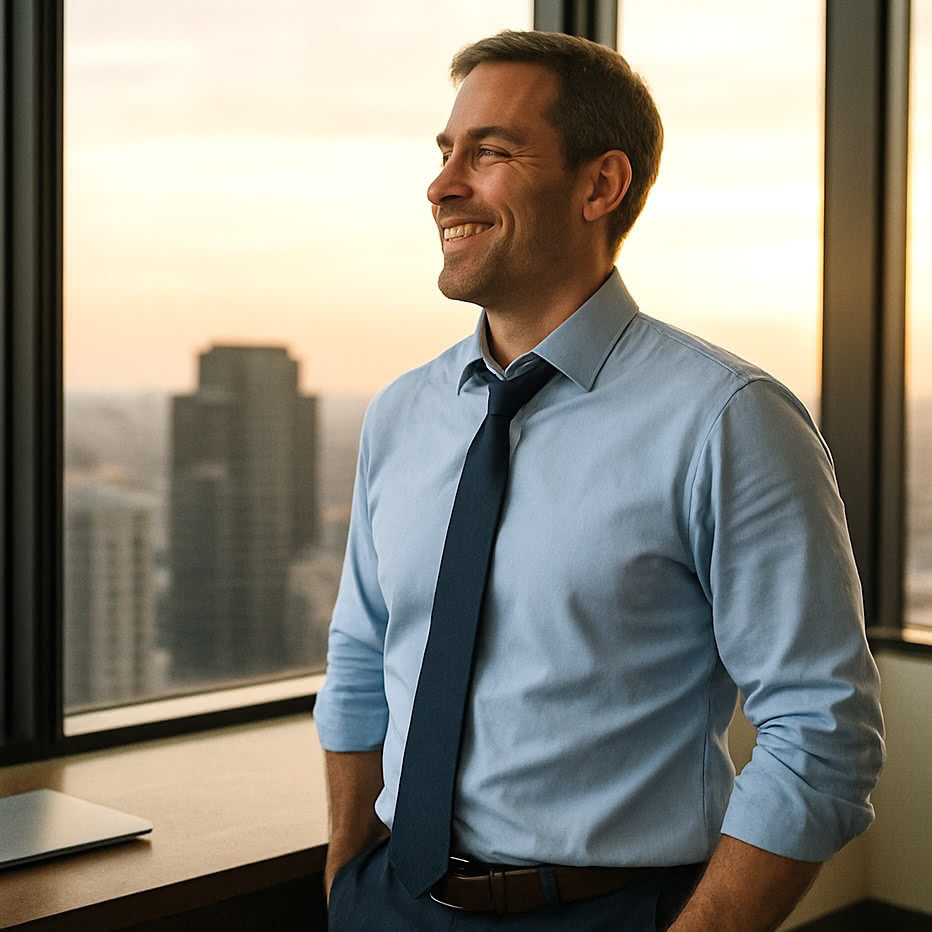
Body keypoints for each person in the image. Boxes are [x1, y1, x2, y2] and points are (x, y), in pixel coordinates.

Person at [314, 30, 885, 931]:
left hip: (608, 912)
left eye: (490, 152)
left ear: (600, 185)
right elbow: (361, 653)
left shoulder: (728, 419)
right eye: (445, 152)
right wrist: (352, 874)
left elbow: (822, 732)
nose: (442, 185)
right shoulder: (403, 413)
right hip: (392, 899)